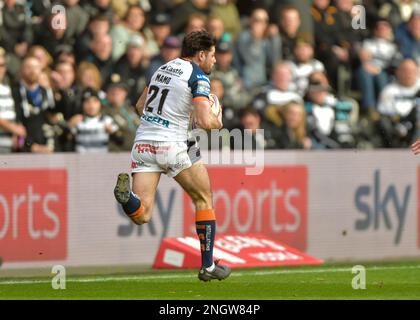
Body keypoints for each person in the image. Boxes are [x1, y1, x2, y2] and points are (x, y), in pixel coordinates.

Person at [113, 31, 231, 282]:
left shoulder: (161, 69)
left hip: (143, 143)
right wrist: (218, 121)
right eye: (212, 56)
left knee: (142, 214)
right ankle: (208, 266)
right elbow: (203, 120)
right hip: (173, 144)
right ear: (201, 55)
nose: (215, 61)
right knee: (204, 198)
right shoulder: (198, 76)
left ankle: (127, 198)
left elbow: (139, 106)